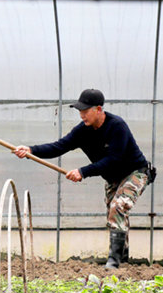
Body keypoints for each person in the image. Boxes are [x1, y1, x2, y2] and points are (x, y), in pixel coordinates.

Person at [14, 88, 155, 269]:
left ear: (98, 109)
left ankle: (114, 262)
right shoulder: (83, 130)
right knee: (115, 215)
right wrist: (31, 150)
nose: (82, 115)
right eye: (80, 111)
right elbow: (59, 146)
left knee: (118, 206)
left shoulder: (117, 126)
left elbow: (113, 160)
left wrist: (83, 171)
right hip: (113, 178)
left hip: (135, 172)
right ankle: (123, 260)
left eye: (85, 111)